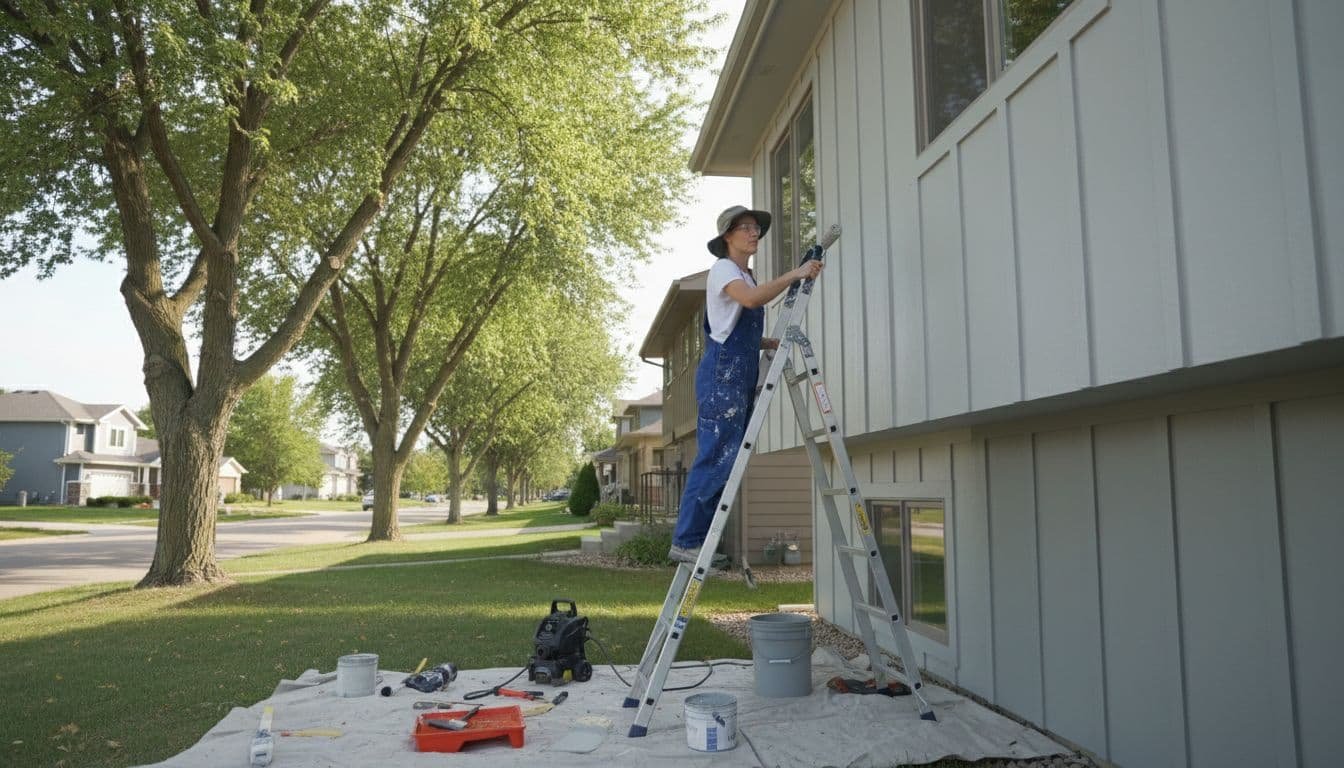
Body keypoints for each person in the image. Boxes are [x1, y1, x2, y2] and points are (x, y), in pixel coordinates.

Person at [669, 205, 825, 566]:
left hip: (739, 371)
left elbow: (731, 325)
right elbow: (751, 302)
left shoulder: (747, 275)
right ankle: (686, 540)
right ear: (728, 236)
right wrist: (796, 273)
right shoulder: (724, 269)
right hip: (723, 374)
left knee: (727, 460)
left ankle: (696, 539)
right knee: (715, 458)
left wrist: (764, 343)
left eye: (756, 228)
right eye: (746, 228)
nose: (754, 233)